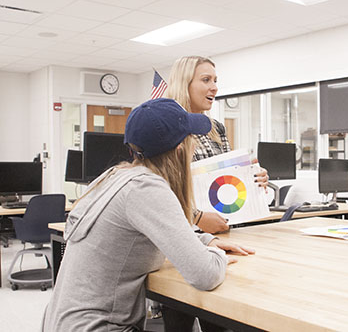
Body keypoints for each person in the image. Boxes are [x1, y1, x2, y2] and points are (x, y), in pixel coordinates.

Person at [42, 98, 254, 331]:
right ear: (180, 150)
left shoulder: (117, 175)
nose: (195, 145)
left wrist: (205, 240)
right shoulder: (148, 189)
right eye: (192, 138)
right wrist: (216, 256)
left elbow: (155, 233)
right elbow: (204, 274)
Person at [165, 55, 269, 234]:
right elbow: (162, 190)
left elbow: (227, 179)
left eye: (215, 80)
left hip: (223, 228)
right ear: (184, 83)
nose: (214, 87)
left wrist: (252, 179)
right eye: (206, 80)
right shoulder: (166, 127)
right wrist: (195, 217)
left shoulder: (216, 129)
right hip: (185, 232)